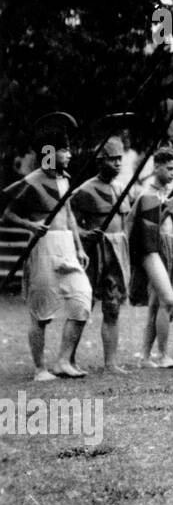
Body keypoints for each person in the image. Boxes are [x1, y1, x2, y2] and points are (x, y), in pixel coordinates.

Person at [1, 113, 92, 381]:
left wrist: (79, 247)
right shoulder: (31, 182)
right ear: (50, 152)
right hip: (43, 247)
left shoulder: (65, 179)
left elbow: (70, 215)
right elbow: (8, 215)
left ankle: (63, 360)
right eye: (64, 150)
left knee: (82, 300)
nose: (70, 154)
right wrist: (31, 226)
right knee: (41, 311)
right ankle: (40, 368)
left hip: (66, 246)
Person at [69, 135, 131, 374]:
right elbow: (69, 221)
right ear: (100, 161)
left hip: (118, 252)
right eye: (112, 159)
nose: (117, 164)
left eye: (120, 159)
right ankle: (68, 358)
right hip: (96, 253)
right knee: (85, 304)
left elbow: (125, 223)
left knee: (113, 306)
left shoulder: (120, 187)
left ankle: (111, 363)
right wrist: (84, 234)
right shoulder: (85, 190)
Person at [127, 146, 173, 368]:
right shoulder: (147, 195)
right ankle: (162, 354)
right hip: (151, 250)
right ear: (156, 168)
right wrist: (166, 210)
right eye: (169, 169)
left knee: (156, 304)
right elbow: (144, 232)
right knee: (167, 300)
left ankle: (144, 356)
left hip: (170, 247)